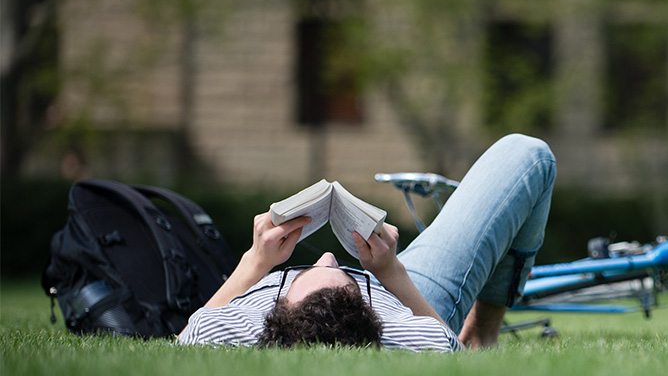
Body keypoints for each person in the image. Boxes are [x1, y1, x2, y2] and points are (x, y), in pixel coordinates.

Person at [178, 134, 556, 351]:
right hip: (406, 292)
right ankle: (483, 334)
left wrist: (256, 262)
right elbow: (449, 348)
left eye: (307, 271)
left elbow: (182, 343)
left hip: (374, 289)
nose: (329, 256)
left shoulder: (239, 327)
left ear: (273, 314)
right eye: (340, 271)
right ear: (369, 311)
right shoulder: (402, 332)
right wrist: (391, 273)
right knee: (529, 155)